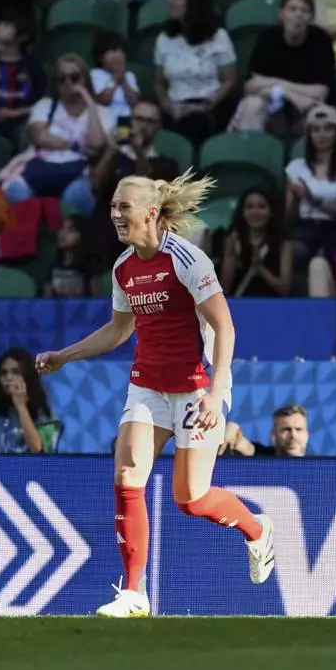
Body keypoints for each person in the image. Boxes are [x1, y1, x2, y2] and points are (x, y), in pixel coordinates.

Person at [36, 171, 276, 618]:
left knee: (191, 500)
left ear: (150, 212)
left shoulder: (187, 259)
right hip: (147, 384)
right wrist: (64, 356)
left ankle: (258, 529)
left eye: (123, 207)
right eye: (112, 207)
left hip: (195, 387)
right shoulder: (124, 267)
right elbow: (117, 329)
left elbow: (224, 325)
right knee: (127, 474)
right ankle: (134, 593)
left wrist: (217, 387)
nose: (115, 215)